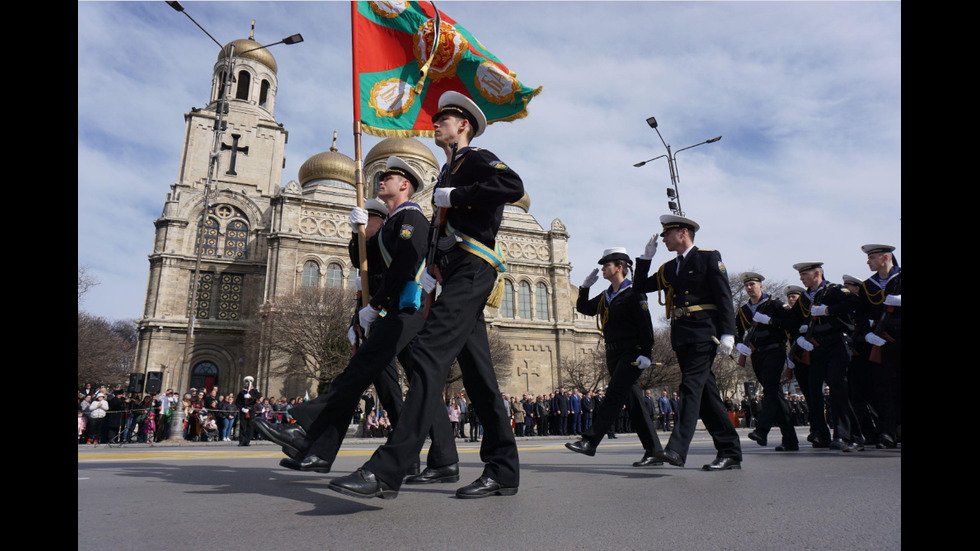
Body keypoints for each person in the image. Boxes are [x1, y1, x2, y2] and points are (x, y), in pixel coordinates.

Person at [329, 91, 524, 500]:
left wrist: (458, 196)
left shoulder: (475, 158)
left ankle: (388, 468)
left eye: (444, 119)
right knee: (479, 377)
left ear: (463, 126)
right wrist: (433, 271)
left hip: (474, 267)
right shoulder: (449, 170)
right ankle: (503, 469)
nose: (435, 123)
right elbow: (439, 230)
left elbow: (511, 184)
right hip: (453, 274)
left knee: (427, 354)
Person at [253, 157, 457, 479]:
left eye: (387, 177)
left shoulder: (411, 218)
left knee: (359, 372)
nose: (380, 180)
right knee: (419, 382)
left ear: (404, 184)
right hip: (392, 311)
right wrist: (355, 233)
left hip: (407, 310)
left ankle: (308, 430)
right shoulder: (392, 222)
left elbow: (404, 267)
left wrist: (375, 305)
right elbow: (364, 259)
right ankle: (443, 458)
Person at [633, 214, 742, 471]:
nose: (663, 238)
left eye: (667, 233)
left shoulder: (708, 257)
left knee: (690, 389)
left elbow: (724, 296)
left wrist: (728, 332)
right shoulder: (670, 267)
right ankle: (730, 451)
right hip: (682, 335)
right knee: (706, 397)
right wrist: (645, 259)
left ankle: (676, 449)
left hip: (704, 332)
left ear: (683, 232)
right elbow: (639, 286)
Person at [565, 247, 665, 467]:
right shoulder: (607, 295)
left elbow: (645, 326)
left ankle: (590, 441)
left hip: (630, 352)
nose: (602, 269)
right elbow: (586, 309)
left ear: (619, 267)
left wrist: (646, 352)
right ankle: (654, 451)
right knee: (634, 404)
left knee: (613, 395)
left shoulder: (633, 292)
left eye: (606, 265)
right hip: (612, 352)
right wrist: (584, 288)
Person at [778, 262, 863, 451]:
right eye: (800, 275)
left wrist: (828, 310)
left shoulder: (834, 291)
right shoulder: (805, 298)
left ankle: (848, 435)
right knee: (813, 389)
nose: (801, 278)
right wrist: (798, 337)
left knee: (837, 386)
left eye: (805, 274)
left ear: (817, 273)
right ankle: (821, 433)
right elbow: (793, 320)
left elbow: (855, 302)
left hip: (837, 343)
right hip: (816, 346)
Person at [734, 272, 799, 452]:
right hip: (757, 355)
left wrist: (771, 321)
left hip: (774, 350)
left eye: (752, 284)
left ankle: (762, 430)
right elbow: (737, 331)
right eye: (746, 285)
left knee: (770, 389)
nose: (749, 288)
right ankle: (790, 440)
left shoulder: (775, 304)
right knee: (775, 395)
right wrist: (740, 345)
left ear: (761, 286)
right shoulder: (744, 310)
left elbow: (791, 322)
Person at [857, 244, 901, 448]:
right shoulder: (868, 286)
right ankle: (887, 432)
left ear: (885, 257)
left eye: (872, 257)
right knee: (883, 387)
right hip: (880, 340)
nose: (868, 261)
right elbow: (861, 316)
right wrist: (867, 335)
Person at [235, 376, 261, 446]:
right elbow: (237, 402)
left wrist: (251, 397)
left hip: (251, 410)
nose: (247, 383)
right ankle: (241, 441)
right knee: (243, 426)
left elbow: (258, 397)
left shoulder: (254, 391)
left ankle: (247, 441)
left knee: (250, 426)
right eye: (246, 382)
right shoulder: (242, 392)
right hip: (243, 410)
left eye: (249, 382)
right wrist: (242, 408)